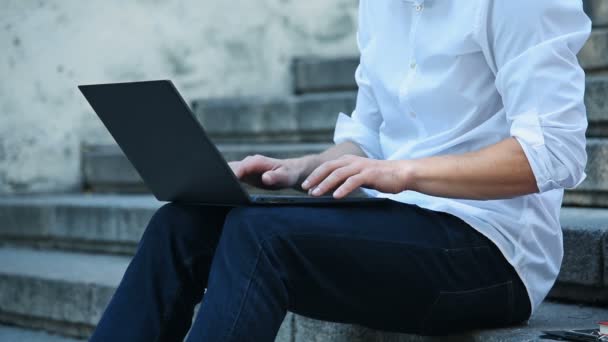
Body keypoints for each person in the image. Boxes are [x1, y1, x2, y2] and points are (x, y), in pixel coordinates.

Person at [90, 0, 591, 341]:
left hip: (493, 254)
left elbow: (554, 152)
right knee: (183, 223)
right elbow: (369, 135)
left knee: (259, 236)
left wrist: (403, 172)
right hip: (398, 222)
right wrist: (300, 169)